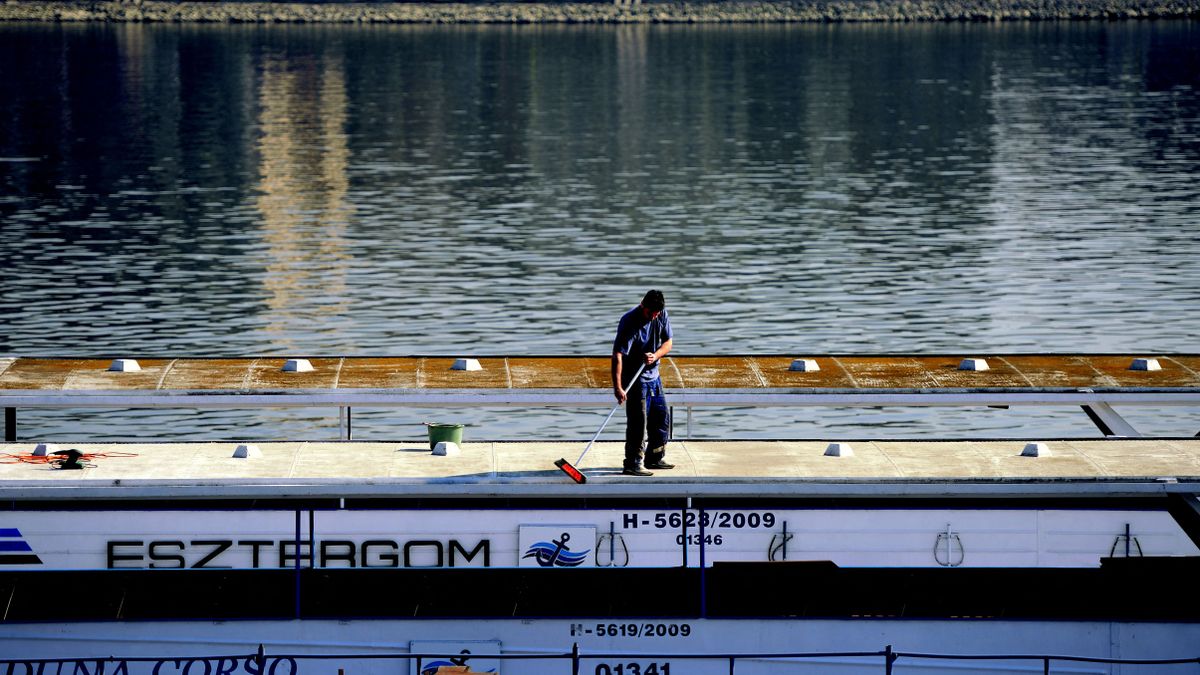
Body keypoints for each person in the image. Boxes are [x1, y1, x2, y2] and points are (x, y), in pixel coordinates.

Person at [612, 289, 674, 476]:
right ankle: (632, 462)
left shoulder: (661, 314)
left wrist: (655, 356)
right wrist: (618, 387)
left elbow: (668, 342)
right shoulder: (629, 321)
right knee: (638, 424)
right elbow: (618, 355)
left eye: (656, 313)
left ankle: (654, 458)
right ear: (642, 305)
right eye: (650, 313)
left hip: (654, 377)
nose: (653, 317)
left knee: (661, 419)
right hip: (635, 379)